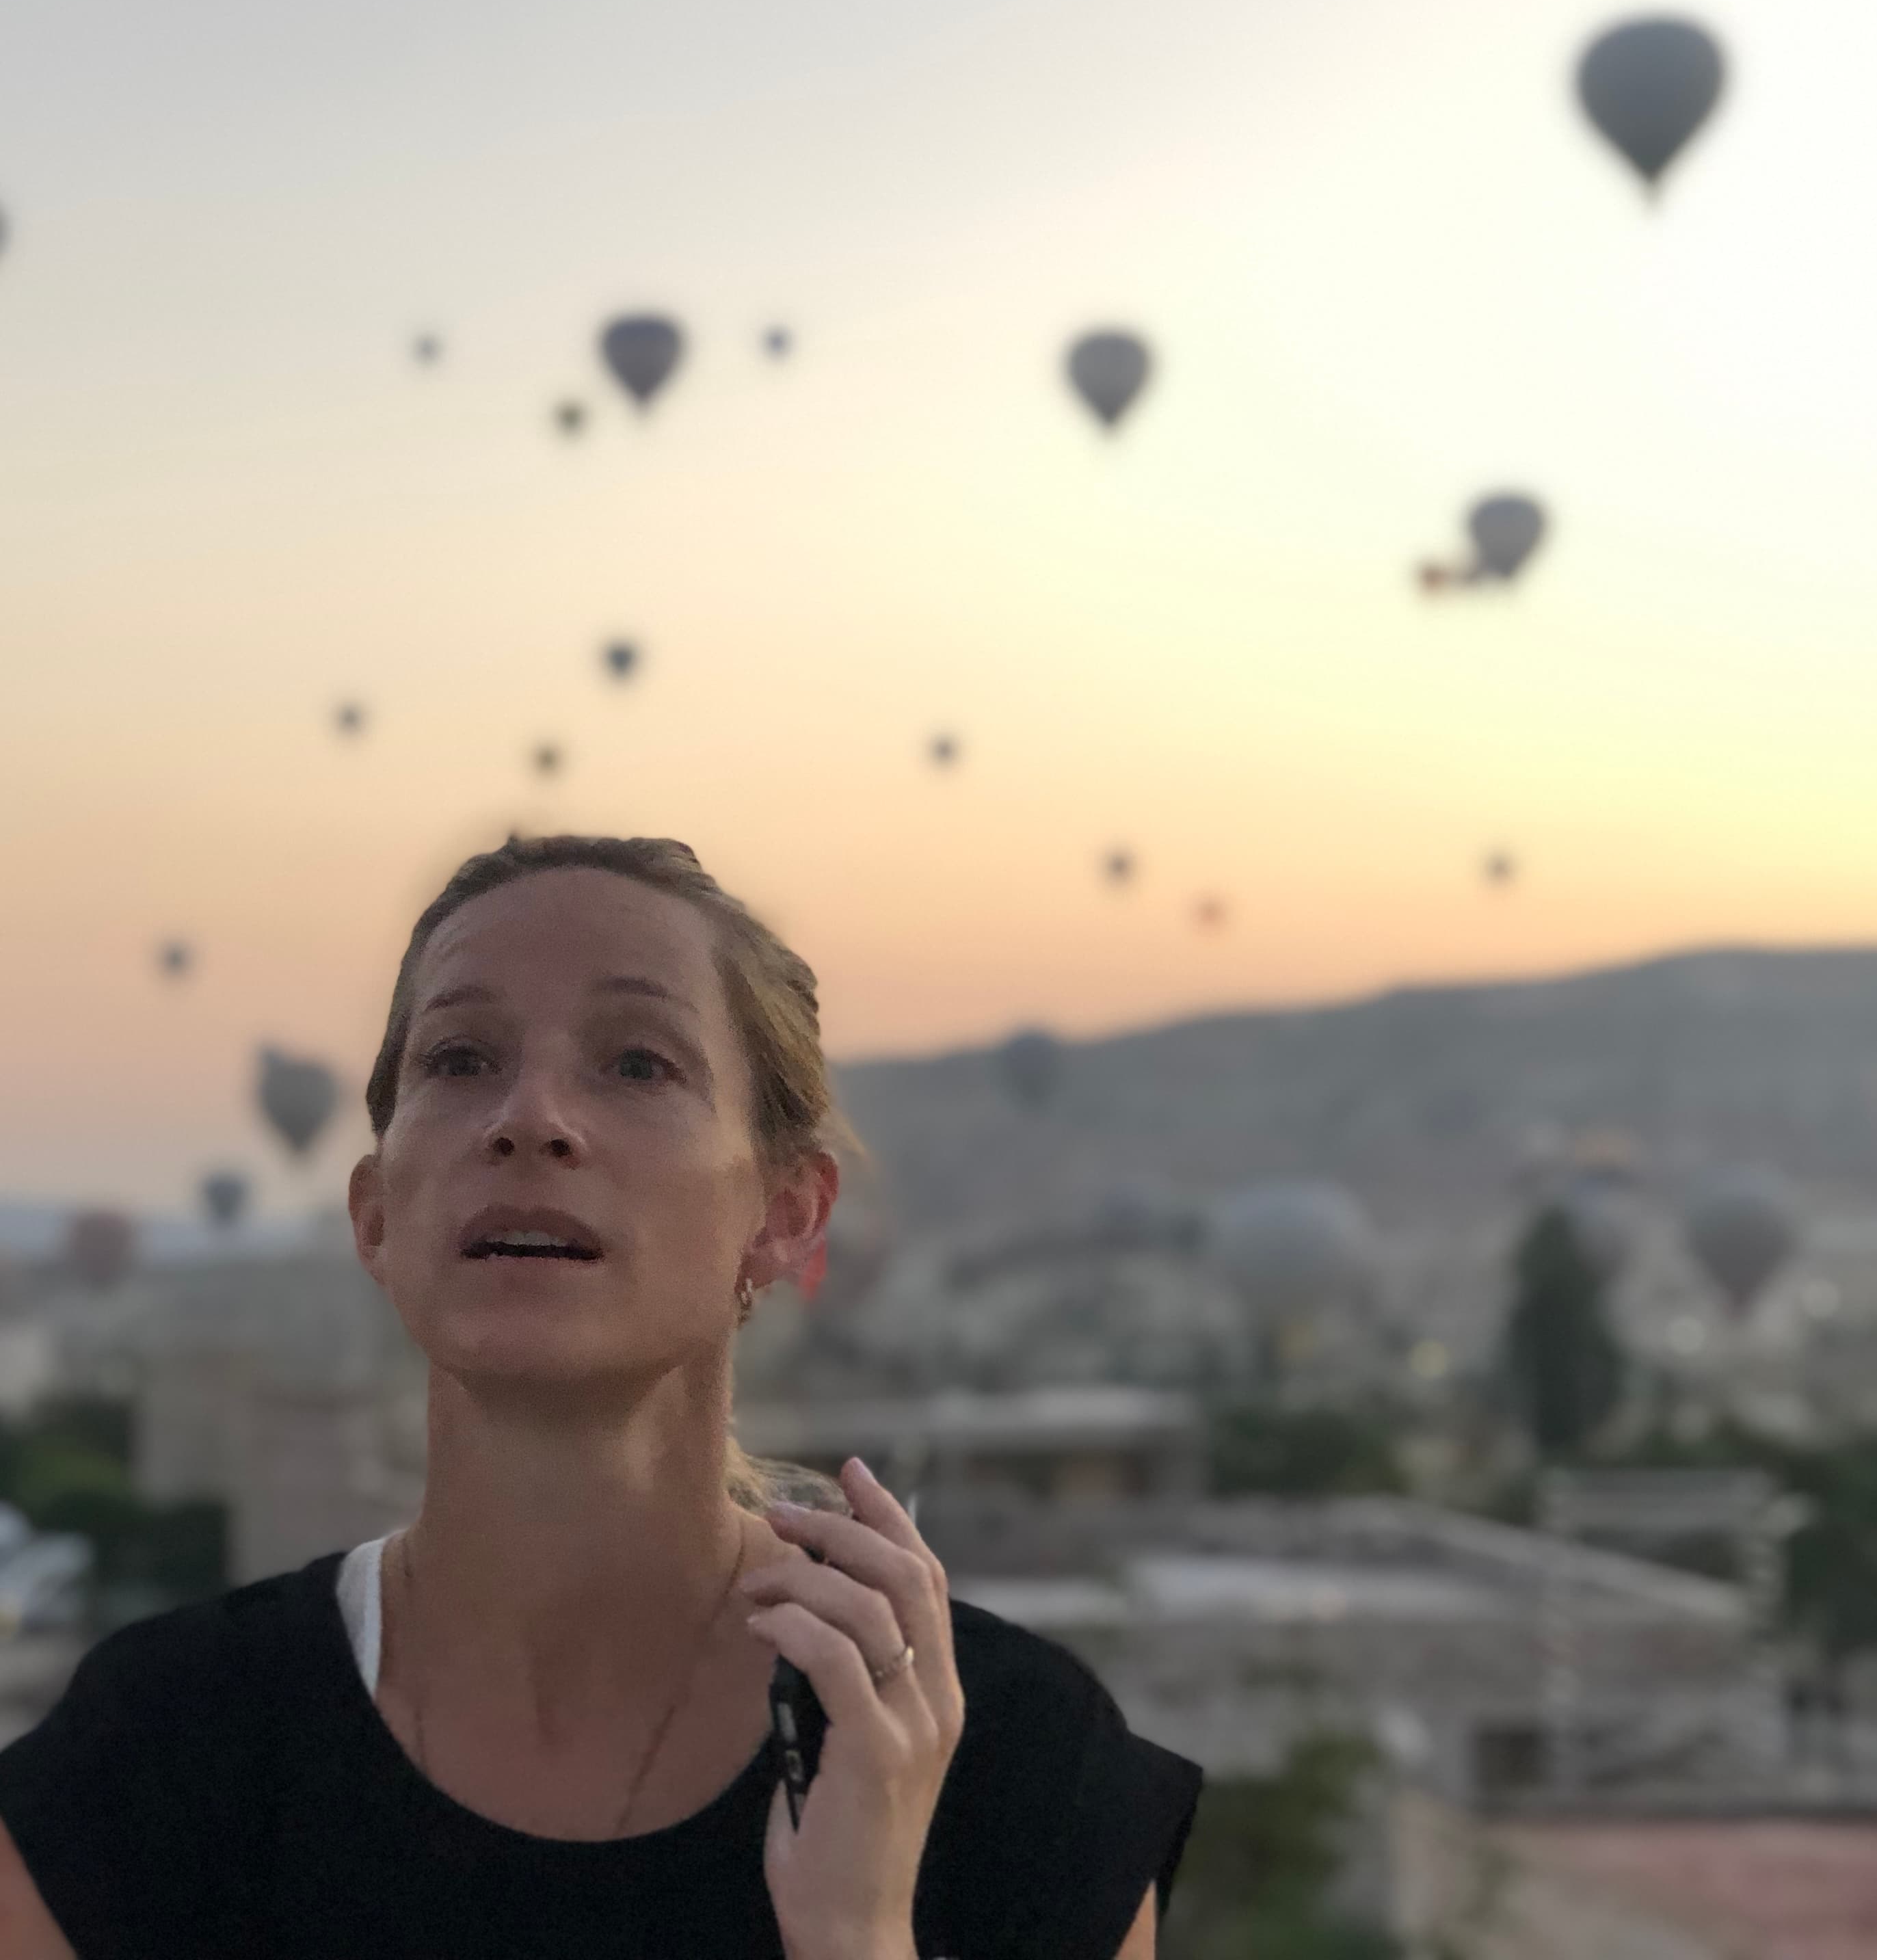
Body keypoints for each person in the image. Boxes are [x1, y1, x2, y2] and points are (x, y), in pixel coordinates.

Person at [0, 835, 1203, 1958]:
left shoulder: (1008, 1769)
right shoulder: (155, 1757)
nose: (530, 1120)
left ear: (785, 1216)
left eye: (638, 1062)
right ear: (376, 1215)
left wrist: (859, 1933)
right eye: (461, 1061)